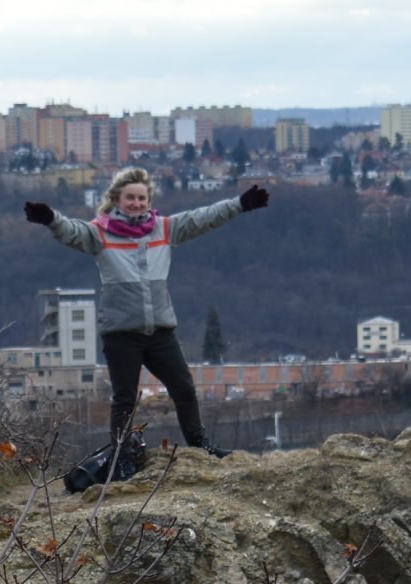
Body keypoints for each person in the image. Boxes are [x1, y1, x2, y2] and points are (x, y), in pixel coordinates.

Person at [24, 167, 268, 457]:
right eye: (130, 198)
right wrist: (51, 219)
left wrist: (239, 204)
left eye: (142, 198)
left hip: (160, 332)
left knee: (184, 389)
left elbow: (203, 218)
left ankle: (200, 444)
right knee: (124, 400)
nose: (136, 203)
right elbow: (72, 231)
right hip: (121, 334)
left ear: (149, 200)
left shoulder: (164, 229)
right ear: (117, 199)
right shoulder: (99, 233)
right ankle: (121, 457)